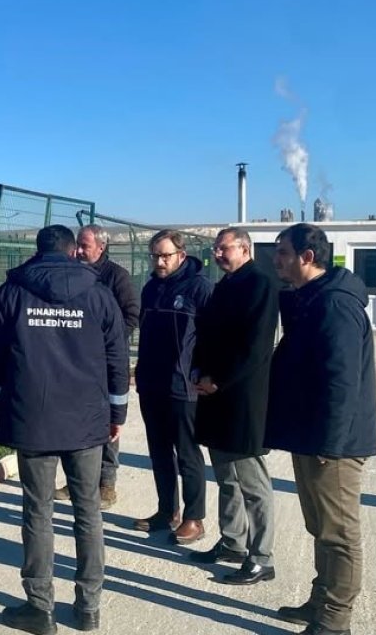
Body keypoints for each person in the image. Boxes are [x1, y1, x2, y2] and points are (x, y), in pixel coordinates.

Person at [0, 224, 130, 635]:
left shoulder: (13, 292)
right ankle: (88, 608)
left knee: (38, 512)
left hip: (33, 419)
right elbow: (117, 356)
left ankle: (40, 608)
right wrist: (118, 414)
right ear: (72, 251)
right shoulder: (97, 293)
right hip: (86, 420)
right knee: (88, 511)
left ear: (37, 250)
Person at [267, 223, 376, 635]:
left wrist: (329, 445)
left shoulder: (334, 305)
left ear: (306, 257)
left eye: (282, 252)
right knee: (320, 526)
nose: (276, 259)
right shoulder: (310, 299)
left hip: (332, 442)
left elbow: (342, 381)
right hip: (310, 434)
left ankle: (335, 619)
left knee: (339, 532)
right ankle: (322, 601)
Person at [190, 227, 280, 585]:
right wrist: (198, 369)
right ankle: (233, 541)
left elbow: (255, 347)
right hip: (214, 394)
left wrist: (219, 379)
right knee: (226, 477)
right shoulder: (226, 284)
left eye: (223, 248)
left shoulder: (260, 284)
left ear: (245, 249)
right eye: (215, 248)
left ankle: (262, 557)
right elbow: (207, 333)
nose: (216, 254)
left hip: (242, 396)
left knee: (251, 482)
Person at [131, 229, 212, 544]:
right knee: (159, 451)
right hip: (152, 383)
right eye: (155, 255)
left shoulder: (199, 288)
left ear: (181, 255)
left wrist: (203, 373)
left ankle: (195, 518)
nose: (160, 261)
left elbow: (213, 336)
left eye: (165, 255)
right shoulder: (151, 288)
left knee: (187, 454)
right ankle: (167, 511)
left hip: (183, 385)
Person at [53, 224, 140, 509]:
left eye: (84, 246)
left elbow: (131, 315)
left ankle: (106, 484)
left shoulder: (116, 276)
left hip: (105, 362)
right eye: (77, 244)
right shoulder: (71, 274)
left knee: (106, 424)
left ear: (101, 247)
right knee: (74, 421)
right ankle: (76, 479)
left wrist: (106, 342)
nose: (78, 250)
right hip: (75, 361)